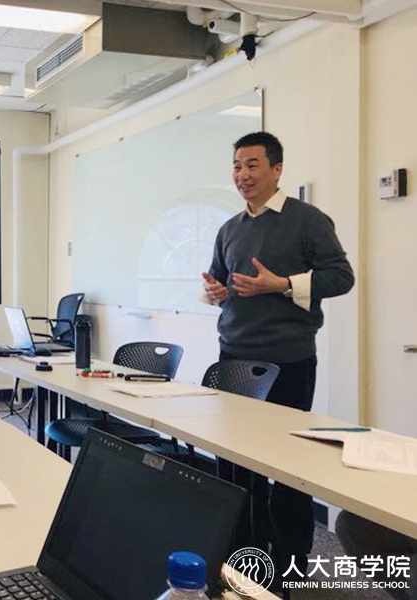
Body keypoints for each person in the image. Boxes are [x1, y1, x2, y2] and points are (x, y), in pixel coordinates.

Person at [201, 132, 355, 577]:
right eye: (236, 166)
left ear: (277, 169)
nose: (242, 175)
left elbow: (341, 277)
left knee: (287, 463)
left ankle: (291, 559)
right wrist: (213, 292)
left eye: (252, 165)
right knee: (233, 460)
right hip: (233, 356)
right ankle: (242, 551)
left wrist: (282, 285)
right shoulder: (230, 228)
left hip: (288, 359)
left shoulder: (307, 220)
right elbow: (216, 282)